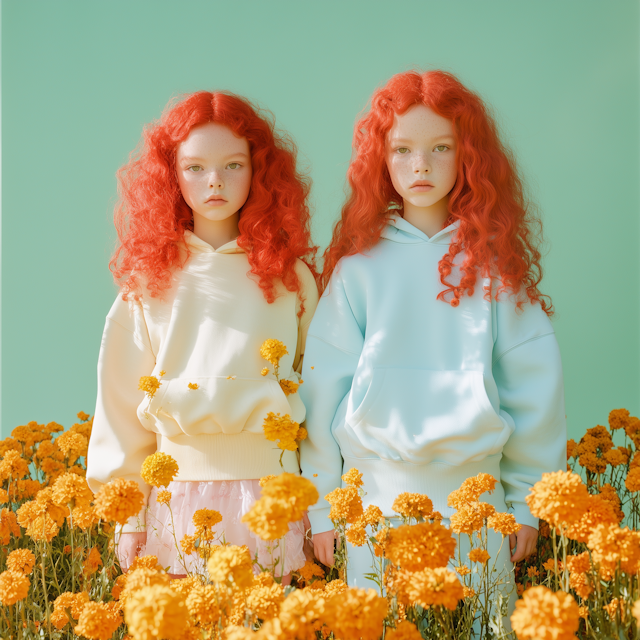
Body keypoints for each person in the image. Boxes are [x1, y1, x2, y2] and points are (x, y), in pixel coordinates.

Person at [299, 70, 566, 590]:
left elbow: (534, 386)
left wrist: (527, 500)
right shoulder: (358, 269)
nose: (420, 165)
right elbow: (322, 390)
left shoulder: (494, 268)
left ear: (468, 156)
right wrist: (326, 507)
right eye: (402, 150)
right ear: (380, 160)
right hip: (373, 512)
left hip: (481, 510)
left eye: (440, 148)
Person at [86, 91, 319, 578]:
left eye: (233, 164)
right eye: (195, 167)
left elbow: (322, 398)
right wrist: (129, 516)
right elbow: (120, 407)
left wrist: (320, 504)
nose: (214, 180)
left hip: (274, 494)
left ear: (259, 171)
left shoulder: (291, 278)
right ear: (170, 175)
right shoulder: (147, 282)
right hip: (176, 500)